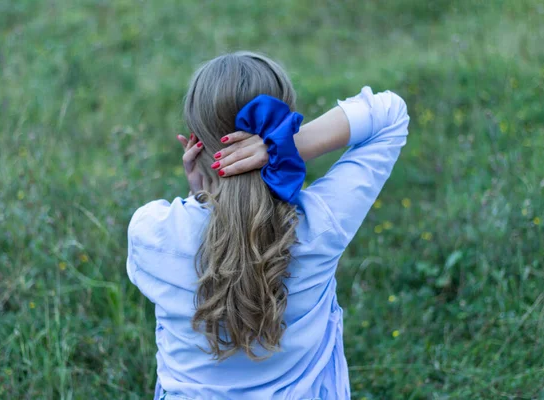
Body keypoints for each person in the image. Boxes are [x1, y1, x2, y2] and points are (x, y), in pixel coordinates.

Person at [127, 51, 410, 400]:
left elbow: (209, 235)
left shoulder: (151, 232)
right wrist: (283, 147)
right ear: (284, 122)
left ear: (196, 141)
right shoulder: (321, 223)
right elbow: (389, 114)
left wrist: (202, 195)